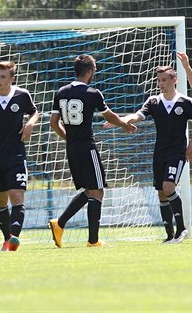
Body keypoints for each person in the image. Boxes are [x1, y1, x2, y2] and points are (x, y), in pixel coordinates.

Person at [48, 54, 136, 248]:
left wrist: (69, 138)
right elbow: (109, 115)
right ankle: (93, 241)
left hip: (71, 147)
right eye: (94, 69)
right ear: (89, 71)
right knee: (98, 191)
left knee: (90, 190)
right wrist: (123, 124)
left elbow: (54, 123)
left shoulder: (61, 92)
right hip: (87, 147)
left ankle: (59, 224)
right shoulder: (92, 92)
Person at [114, 65, 192, 243]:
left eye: (164, 80)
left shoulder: (186, 102)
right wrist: (121, 121)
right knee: (161, 193)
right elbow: (138, 115)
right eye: (159, 80)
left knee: (168, 188)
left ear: (175, 80)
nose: (160, 84)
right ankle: (169, 235)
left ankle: (181, 228)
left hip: (177, 152)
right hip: (159, 152)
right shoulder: (153, 101)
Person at [0, 61, 39, 251]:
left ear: (12, 79)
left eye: (3, 77)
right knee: (0, 201)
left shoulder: (22, 95)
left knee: (17, 194)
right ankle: (7, 239)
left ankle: (13, 239)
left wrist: (30, 123)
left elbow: (35, 111)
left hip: (16, 155)